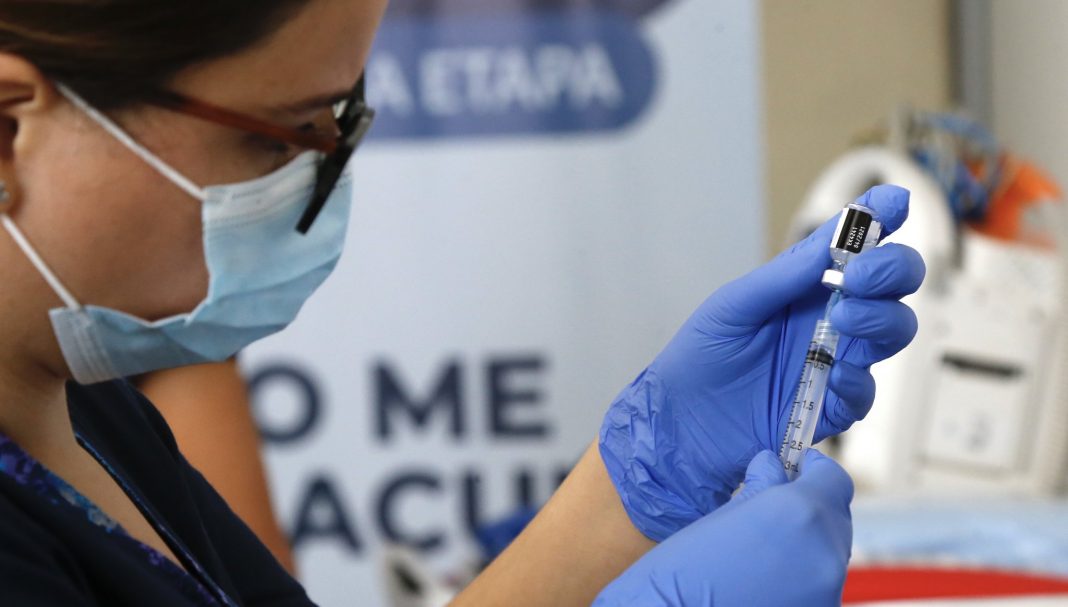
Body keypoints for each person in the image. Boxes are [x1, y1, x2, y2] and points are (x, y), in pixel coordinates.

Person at [0, 1, 925, 606]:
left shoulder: (87, 406)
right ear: (8, 126)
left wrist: (634, 485)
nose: (308, 187)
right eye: (277, 138)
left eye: (338, 125)